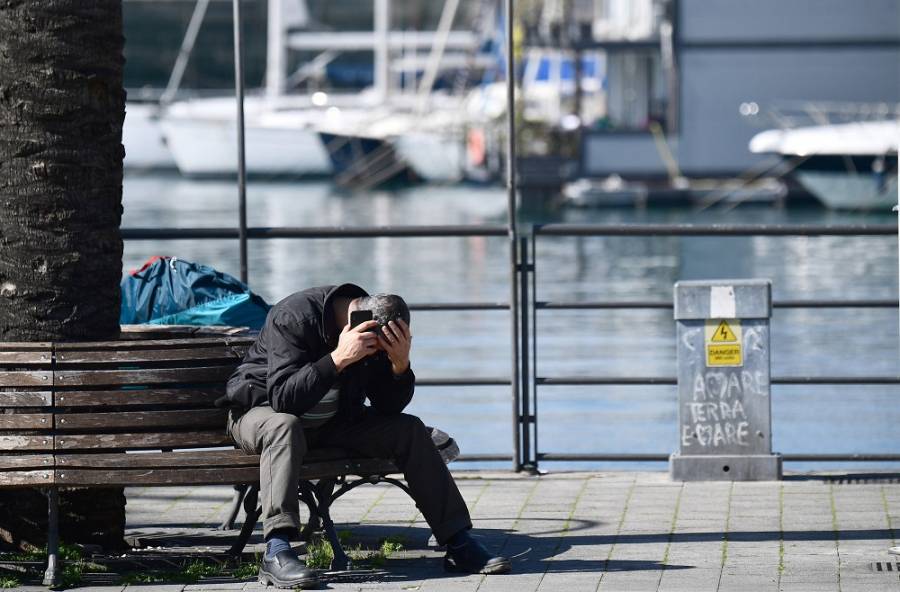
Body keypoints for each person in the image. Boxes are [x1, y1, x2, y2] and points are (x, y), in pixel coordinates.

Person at [219, 284, 511, 589]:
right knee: (286, 425)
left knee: (408, 429)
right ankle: (277, 551)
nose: (379, 351)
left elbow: (388, 407)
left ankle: (458, 542)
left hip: (332, 422)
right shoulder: (293, 316)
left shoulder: (376, 330)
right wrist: (338, 358)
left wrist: (400, 366)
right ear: (356, 319)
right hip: (260, 414)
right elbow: (283, 400)